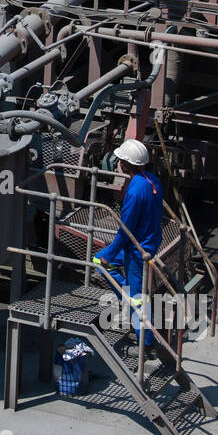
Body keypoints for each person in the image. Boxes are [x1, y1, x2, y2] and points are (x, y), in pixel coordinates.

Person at [92, 137, 164, 346]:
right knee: (135, 292)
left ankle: (146, 344)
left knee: (137, 297)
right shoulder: (152, 180)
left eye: (120, 161)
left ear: (124, 164)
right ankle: (129, 298)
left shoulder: (134, 191)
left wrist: (109, 254)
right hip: (149, 242)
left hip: (137, 249)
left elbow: (126, 230)